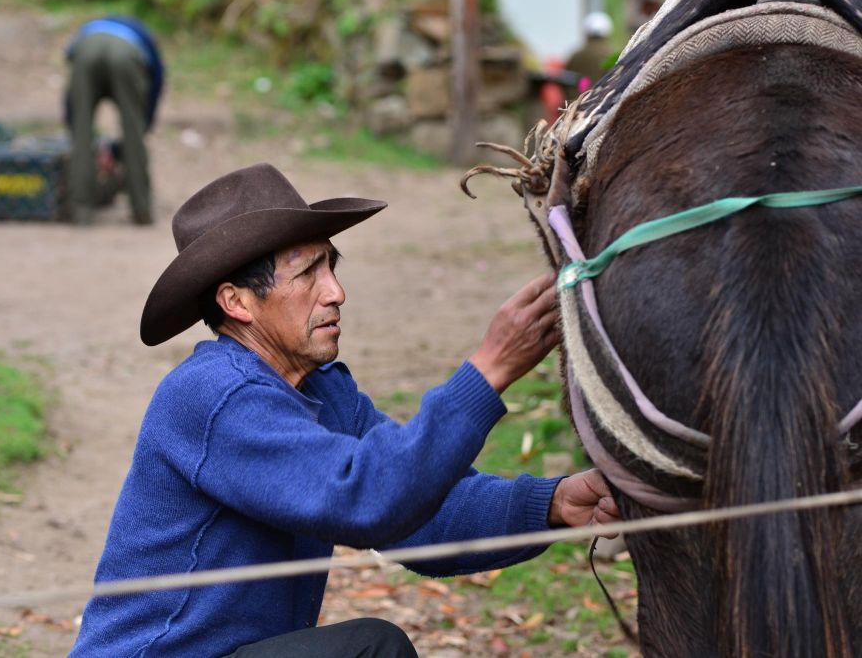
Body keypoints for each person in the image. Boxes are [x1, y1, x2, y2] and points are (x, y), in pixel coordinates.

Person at [68, 163, 620, 657]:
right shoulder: (216, 395)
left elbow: (422, 516)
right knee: (371, 651)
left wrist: (552, 504)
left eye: (332, 266)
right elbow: (366, 499)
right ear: (236, 302)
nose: (336, 292)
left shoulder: (321, 389)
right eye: (308, 274)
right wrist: (490, 370)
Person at [64, 16, 164, 226]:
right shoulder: (142, 33)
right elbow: (157, 79)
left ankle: (81, 211)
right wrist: (145, 123)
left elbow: (69, 99)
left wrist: (72, 123)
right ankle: (141, 211)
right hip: (125, 54)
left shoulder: (89, 27)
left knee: (81, 135)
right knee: (133, 133)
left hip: (85, 49)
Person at [565, 11, 615, 97]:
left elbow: (567, 81)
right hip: (602, 105)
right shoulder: (611, 56)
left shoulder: (576, 56)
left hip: (575, 105)